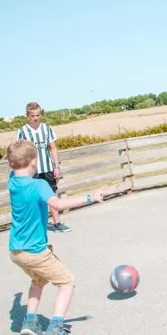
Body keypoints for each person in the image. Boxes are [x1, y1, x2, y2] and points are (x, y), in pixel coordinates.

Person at [7, 139, 105, 335]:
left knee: (38, 281)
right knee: (67, 282)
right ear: (34, 161)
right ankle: (56, 328)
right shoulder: (39, 185)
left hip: (16, 251)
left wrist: (16, 300)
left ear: (11, 164)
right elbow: (58, 205)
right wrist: (90, 197)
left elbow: (18, 166)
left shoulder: (12, 181)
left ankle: (30, 322)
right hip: (35, 251)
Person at [16, 102, 71, 233]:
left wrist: (56, 166)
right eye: (32, 115)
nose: (35, 118)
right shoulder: (22, 131)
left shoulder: (47, 128)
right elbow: (20, 151)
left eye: (37, 115)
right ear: (27, 116)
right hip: (31, 170)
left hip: (47, 168)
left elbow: (52, 147)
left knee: (51, 195)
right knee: (33, 198)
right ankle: (36, 226)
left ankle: (57, 223)